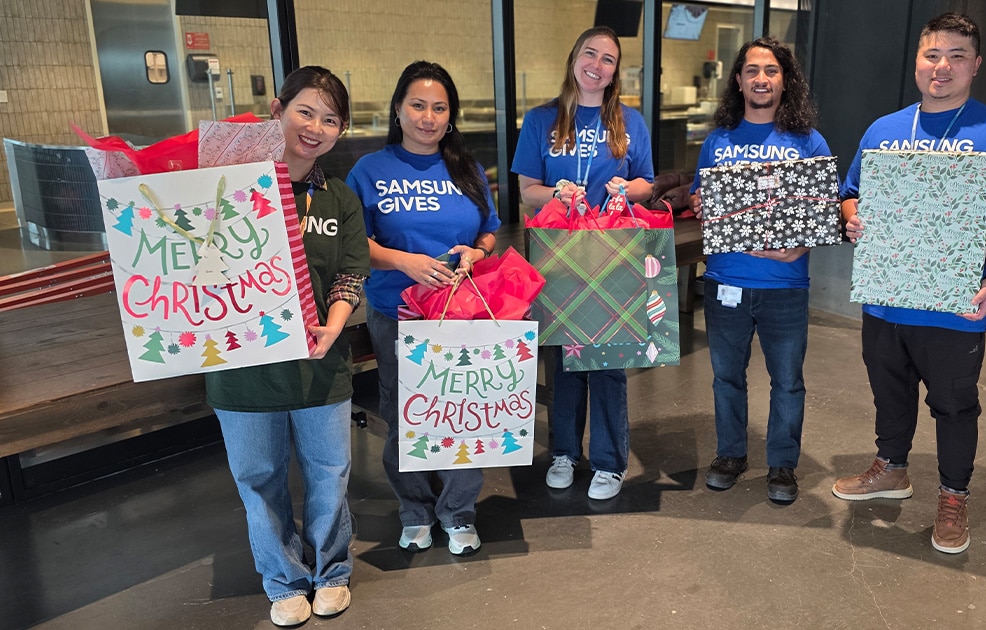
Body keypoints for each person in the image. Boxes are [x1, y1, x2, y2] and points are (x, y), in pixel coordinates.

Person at [833, 12, 986, 554]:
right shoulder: (884, 130)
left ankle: (954, 496)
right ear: (917, 61)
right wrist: (853, 216)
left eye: (957, 56)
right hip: (886, 298)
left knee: (955, 406)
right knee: (888, 390)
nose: (943, 66)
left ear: (975, 65)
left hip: (956, 304)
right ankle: (892, 468)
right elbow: (851, 192)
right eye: (933, 54)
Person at [206, 66, 370, 627]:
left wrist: (335, 321)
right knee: (258, 480)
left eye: (330, 120)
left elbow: (351, 273)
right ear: (277, 110)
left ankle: (332, 574)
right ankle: (282, 580)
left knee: (329, 476)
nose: (315, 127)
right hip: (241, 371)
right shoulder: (224, 189)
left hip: (320, 369)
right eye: (306, 111)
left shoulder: (340, 200)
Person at [347, 61, 500, 556]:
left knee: (462, 412)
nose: (428, 117)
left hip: (461, 311)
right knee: (405, 413)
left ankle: (457, 513)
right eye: (417, 105)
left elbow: (489, 230)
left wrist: (478, 251)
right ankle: (414, 509)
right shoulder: (370, 170)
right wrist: (403, 262)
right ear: (398, 109)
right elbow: (353, 241)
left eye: (439, 107)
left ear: (450, 115)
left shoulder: (467, 168)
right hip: (397, 311)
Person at [511, 26, 654, 500]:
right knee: (564, 358)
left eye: (608, 59)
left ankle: (610, 463)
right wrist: (554, 192)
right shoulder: (540, 120)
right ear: (574, 58)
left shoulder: (630, 122)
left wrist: (624, 188)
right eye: (590, 54)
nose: (597, 64)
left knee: (608, 362)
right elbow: (527, 190)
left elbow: (646, 185)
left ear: (615, 71)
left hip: (612, 257)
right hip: (557, 257)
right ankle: (564, 453)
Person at [688, 37, 830, 505]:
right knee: (726, 378)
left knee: (787, 381)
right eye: (752, 70)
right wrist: (699, 205)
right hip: (725, 281)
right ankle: (730, 455)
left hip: (785, 286)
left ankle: (783, 464)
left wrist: (801, 246)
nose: (761, 79)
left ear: (784, 79)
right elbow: (700, 199)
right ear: (739, 80)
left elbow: (825, 209)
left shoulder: (808, 141)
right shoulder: (718, 140)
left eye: (771, 70)